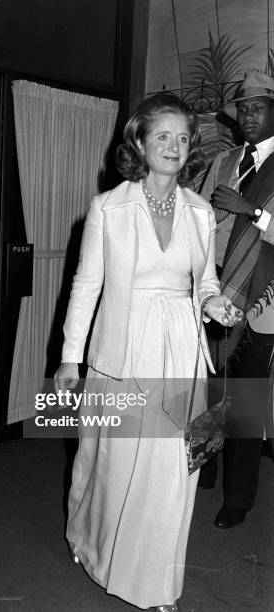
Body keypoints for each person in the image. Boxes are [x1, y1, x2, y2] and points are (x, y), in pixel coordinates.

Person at [54, 93, 240, 611]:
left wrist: (216, 304)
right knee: (113, 462)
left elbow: (203, 282)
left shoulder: (200, 211)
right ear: (138, 141)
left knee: (172, 469)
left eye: (182, 138)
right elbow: (86, 285)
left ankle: (156, 583)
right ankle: (91, 542)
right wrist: (71, 357)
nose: (174, 147)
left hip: (181, 349)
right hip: (125, 348)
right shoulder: (108, 208)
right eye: (163, 135)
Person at [199, 71, 274, 528]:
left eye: (258, 107)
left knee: (245, 399)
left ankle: (239, 498)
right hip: (215, 292)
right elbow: (200, 222)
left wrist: (255, 212)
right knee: (209, 388)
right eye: (242, 108)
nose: (248, 115)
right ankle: (202, 469)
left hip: (262, 297)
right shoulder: (223, 161)